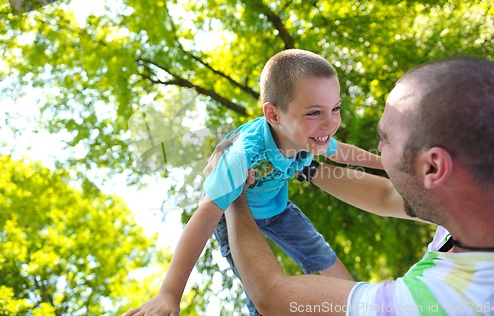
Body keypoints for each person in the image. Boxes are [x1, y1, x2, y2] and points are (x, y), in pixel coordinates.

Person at [223, 56, 494, 315]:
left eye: (386, 140)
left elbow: (273, 297)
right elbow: (385, 196)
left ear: (433, 167)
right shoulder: (473, 210)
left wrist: (234, 194)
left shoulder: (441, 301)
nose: (378, 149)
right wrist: (305, 163)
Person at [125, 49, 383, 316]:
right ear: (273, 115)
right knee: (259, 291)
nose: (330, 123)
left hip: (276, 208)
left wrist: (384, 162)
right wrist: (169, 294)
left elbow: (343, 152)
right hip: (232, 215)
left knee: (317, 250)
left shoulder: (313, 136)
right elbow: (203, 217)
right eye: (315, 113)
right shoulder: (242, 155)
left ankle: (361, 306)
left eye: (336, 109)